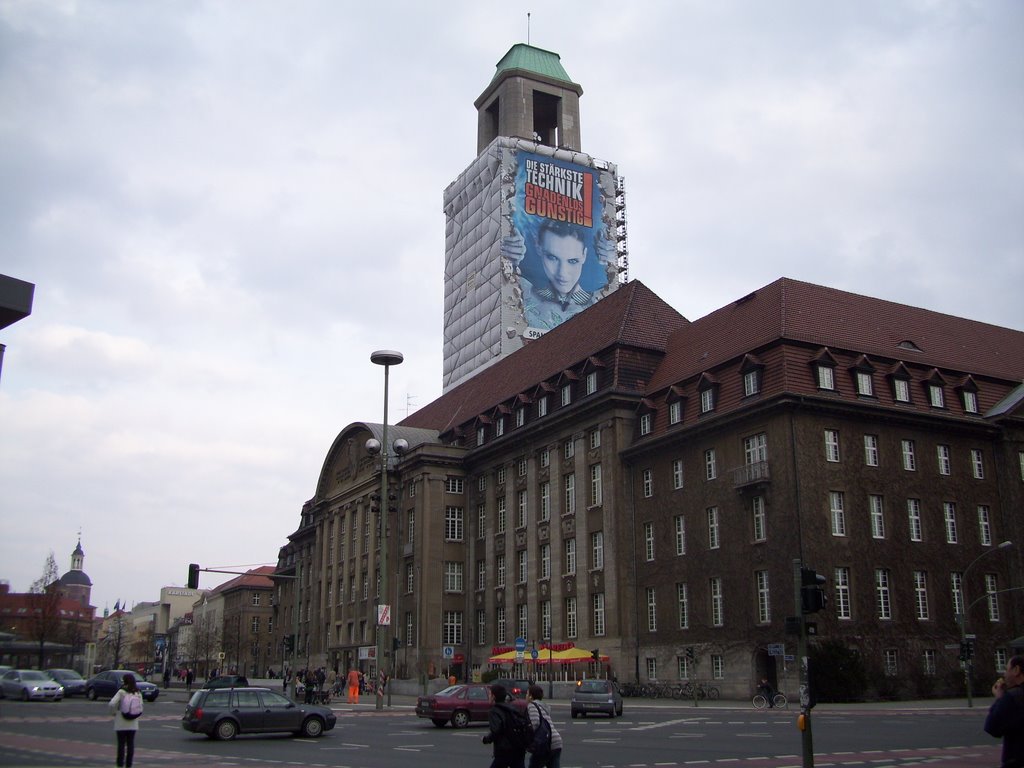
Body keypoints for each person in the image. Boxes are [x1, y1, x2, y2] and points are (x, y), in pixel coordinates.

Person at [504, 219, 611, 332]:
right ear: (538, 248)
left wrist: (611, 264)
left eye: (573, 261)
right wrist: (506, 263)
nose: (562, 272)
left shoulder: (603, 302)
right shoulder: (524, 292)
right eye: (552, 258)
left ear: (584, 255)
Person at [984, 655, 1024, 767]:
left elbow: (992, 727)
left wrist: (999, 699)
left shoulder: (1013, 696)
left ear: (1016, 670)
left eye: (1007, 669)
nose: (1004, 674)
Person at [482, 683, 526, 768]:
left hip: (504, 749)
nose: (489, 696)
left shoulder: (494, 711)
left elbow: (496, 730)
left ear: (494, 697)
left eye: (490, 694)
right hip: (519, 746)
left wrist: (486, 739)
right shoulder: (511, 708)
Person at [108, 673, 143, 768]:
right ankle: (129, 765)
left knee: (121, 745)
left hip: (121, 722)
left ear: (124, 681)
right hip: (133, 722)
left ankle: (119, 764)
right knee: (130, 744)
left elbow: (112, 703)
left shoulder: (122, 691)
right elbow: (141, 707)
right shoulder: (138, 692)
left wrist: (114, 712)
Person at [526, 684, 562, 768]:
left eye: (527, 694)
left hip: (545, 743)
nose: (526, 696)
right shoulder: (543, 706)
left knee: (534, 764)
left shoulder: (532, 705)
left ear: (531, 696)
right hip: (556, 742)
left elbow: (535, 723)